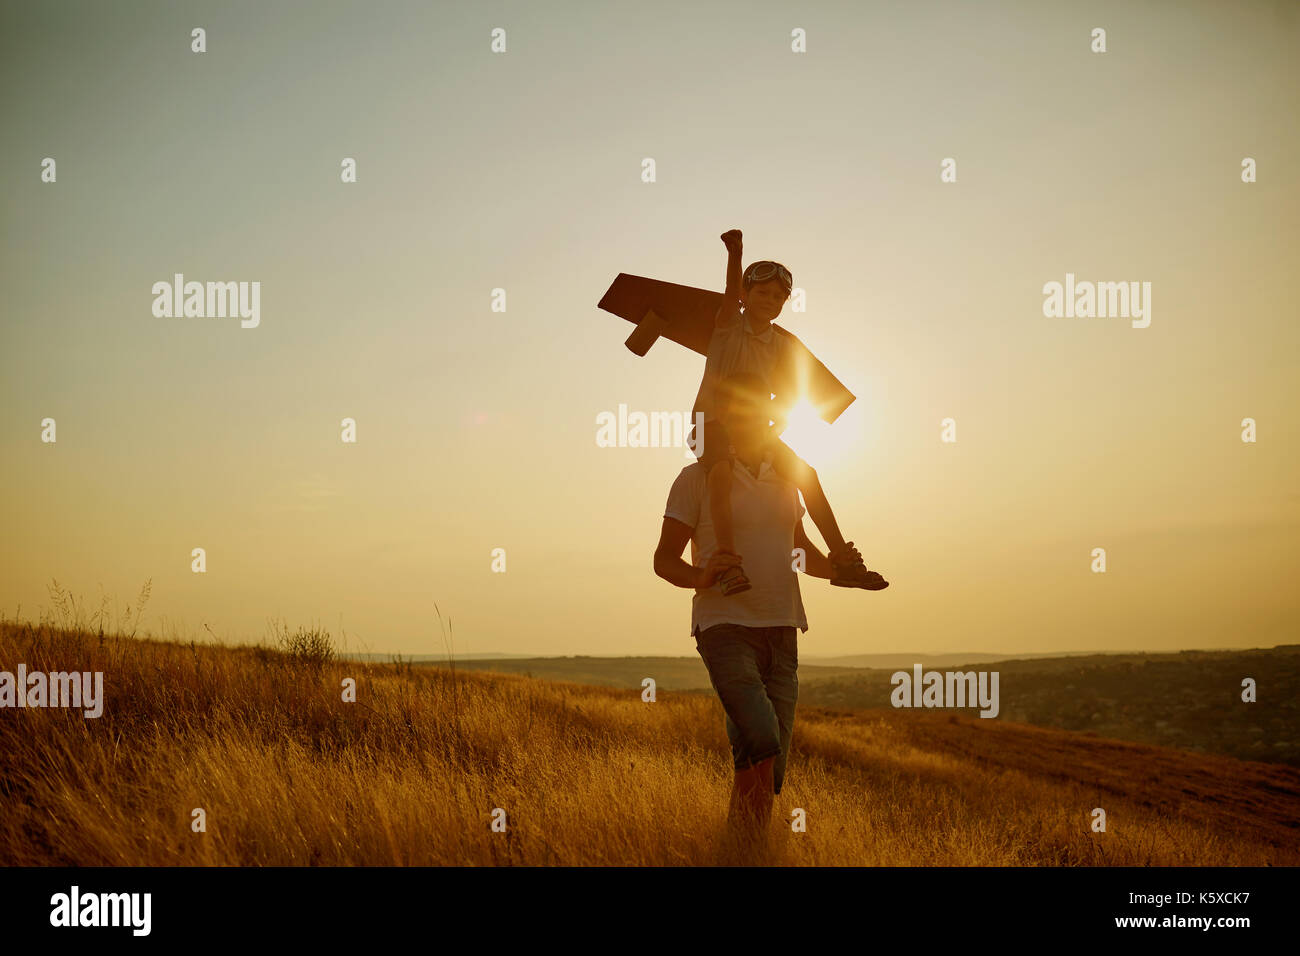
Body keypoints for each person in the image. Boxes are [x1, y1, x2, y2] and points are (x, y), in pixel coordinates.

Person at [654, 371, 883, 840]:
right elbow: (663, 560)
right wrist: (701, 577)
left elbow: (799, 552)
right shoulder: (695, 478)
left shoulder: (786, 482)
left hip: (782, 626)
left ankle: (743, 845)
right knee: (763, 738)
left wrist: (844, 575)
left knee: (763, 766)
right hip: (724, 626)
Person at [690, 228, 887, 596]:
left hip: (756, 431)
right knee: (719, 472)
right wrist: (735, 254)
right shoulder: (729, 327)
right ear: (746, 296)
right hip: (711, 424)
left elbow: (788, 394)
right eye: (762, 293)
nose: (770, 300)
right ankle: (729, 562)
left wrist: (777, 420)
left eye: (778, 296)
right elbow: (730, 298)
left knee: (806, 474)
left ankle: (841, 558)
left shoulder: (783, 344)